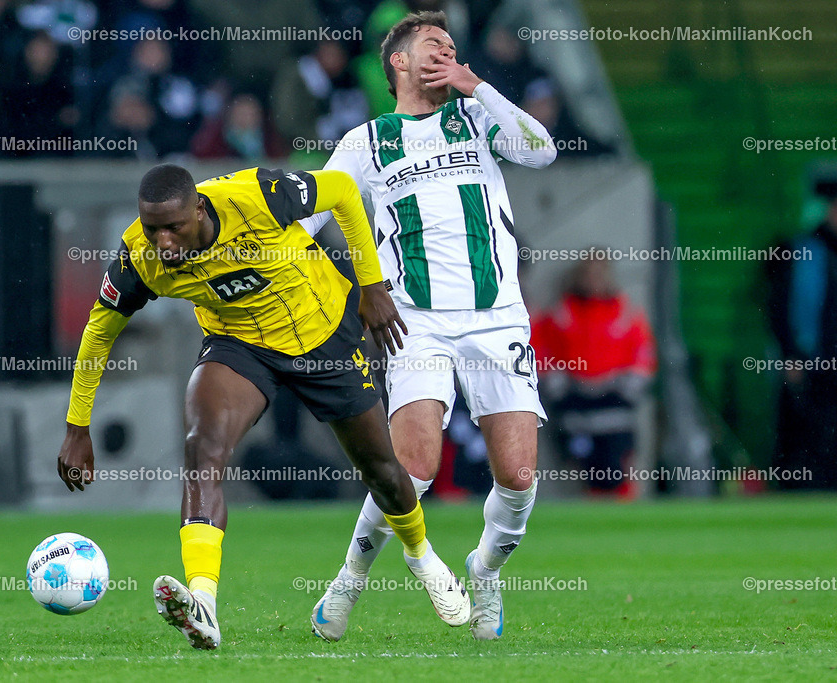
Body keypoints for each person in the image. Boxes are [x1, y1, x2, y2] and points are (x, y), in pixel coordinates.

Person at [56, 163, 471, 650]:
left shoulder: (259, 196)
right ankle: (203, 604)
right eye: (153, 228)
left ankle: (421, 555)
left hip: (323, 331)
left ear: (199, 209)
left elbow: (342, 189)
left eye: (174, 227)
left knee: (382, 472)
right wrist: (77, 427)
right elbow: (99, 329)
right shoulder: (137, 259)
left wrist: (372, 285)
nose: (163, 242)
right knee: (202, 449)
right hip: (240, 346)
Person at [300, 10, 556, 642]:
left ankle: (485, 571)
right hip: (415, 322)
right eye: (434, 46)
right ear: (400, 63)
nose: (447, 53)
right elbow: (307, 222)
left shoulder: (475, 117)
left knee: (518, 478)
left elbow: (542, 151)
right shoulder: (365, 142)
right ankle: (350, 578)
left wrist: (479, 86)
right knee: (411, 469)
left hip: (497, 317)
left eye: (453, 47)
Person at [531, 255, 657, 498]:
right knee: (583, 469)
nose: (593, 280)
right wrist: (555, 382)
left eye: (599, 274)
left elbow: (643, 352)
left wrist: (631, 384)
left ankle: (623, 509)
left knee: (618, 465)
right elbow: (541, 348)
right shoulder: (562, 313)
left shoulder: (625, 312)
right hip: (576, 404)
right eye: (588, 274)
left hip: (615, 403)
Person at [765, 179, 837, 490]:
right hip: (810, 362)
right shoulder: (801, 250)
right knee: (804, 436)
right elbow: (778, 307)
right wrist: (791, 354)